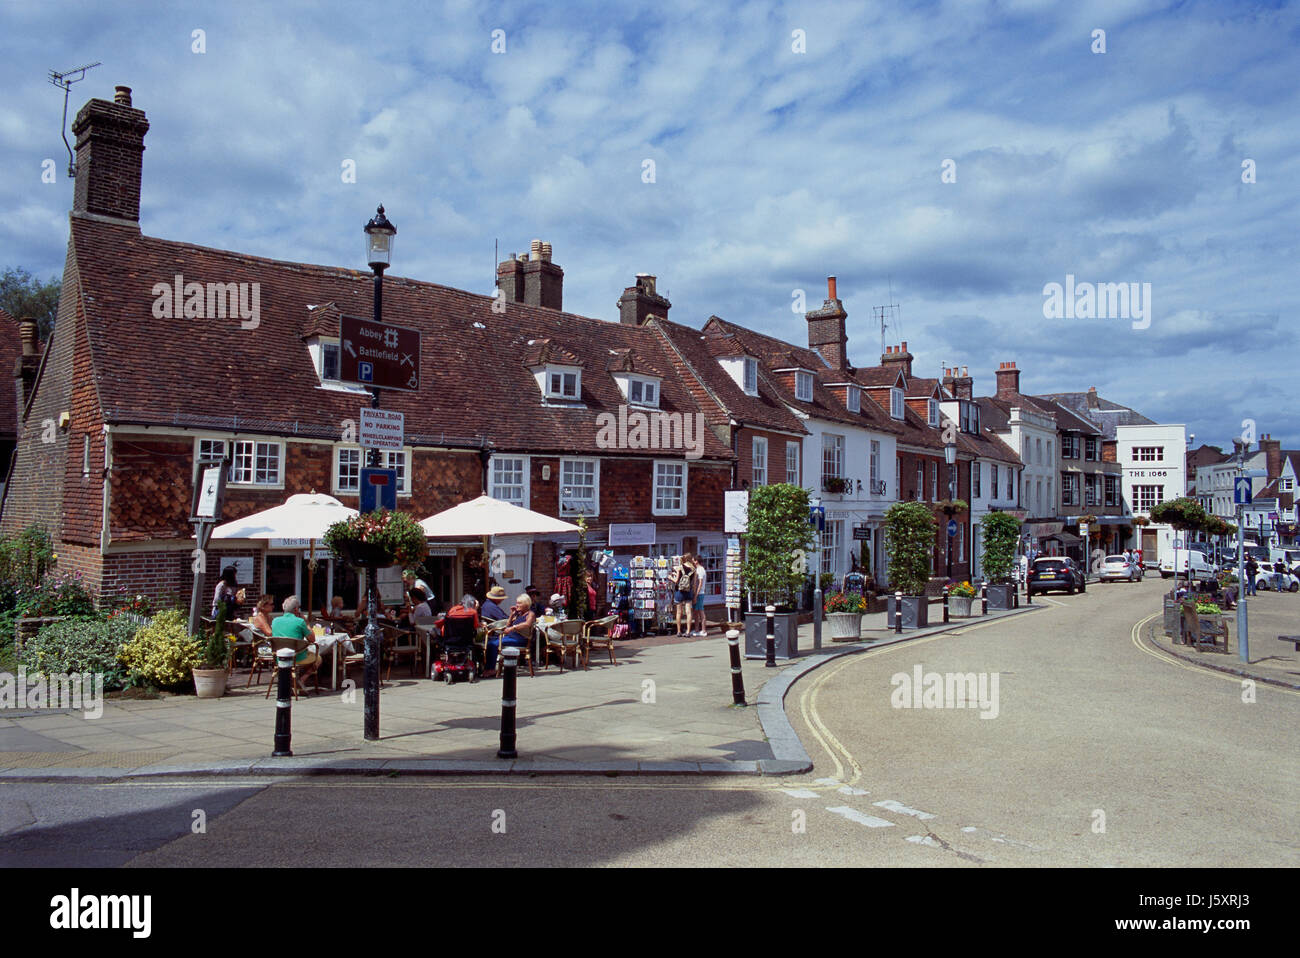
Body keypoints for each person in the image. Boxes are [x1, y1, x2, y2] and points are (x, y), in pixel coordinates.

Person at [271, 595, 320, 690]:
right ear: (296, 609)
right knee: (318, 658)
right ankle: (301, 680)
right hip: (296, 657)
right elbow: (312, 639)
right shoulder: (300, 622)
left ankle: (292, 681)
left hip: (279, 657)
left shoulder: (275, 621)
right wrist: (306, 622)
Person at [485, 594, 534, 676]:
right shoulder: (518, 614)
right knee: (490, 643)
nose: (516, 605)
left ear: (526, 604)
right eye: (516, 603)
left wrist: (513, 628)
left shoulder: (530, 614)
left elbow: (527, 624)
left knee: (493, 644)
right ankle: (489, 668)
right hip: (511, 637)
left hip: (520, 640)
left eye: (519, 603)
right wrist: (512, 615)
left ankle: (490, 669)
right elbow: (508, 625)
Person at [673, 554, 696, 636]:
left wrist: (670, 577)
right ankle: (688, 631)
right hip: (688, 591)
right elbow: (694, 584)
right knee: (688, 612)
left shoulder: (680, 567)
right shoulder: (694, 569)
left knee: (679, 612)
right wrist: (694, 595)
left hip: (679, 592)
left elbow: (676, 581)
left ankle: (679, 631)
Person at [691, 559, 708, 636]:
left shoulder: (701, 570)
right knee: (695, 612)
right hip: (696, 593)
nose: (692, 562)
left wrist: (696, 595)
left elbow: (700, 583)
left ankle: (704, 630)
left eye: (693, 560)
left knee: (701, 612)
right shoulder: (697, 569)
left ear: (696, 561)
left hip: (699, 594)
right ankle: (697, 629)